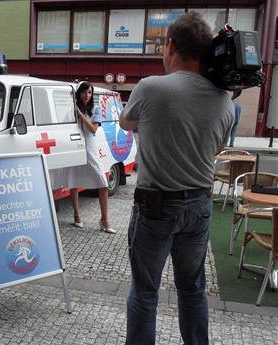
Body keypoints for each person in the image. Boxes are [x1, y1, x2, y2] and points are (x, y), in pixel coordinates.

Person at [119, 12, 234, 345]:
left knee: (145, 290)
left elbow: (127, 123)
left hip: (155, 206)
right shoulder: (224, 99)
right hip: (199, 205)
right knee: (193, 288)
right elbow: (219, 145)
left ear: (171, 45)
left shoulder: (151, 88)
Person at [64, 81, 116, 234]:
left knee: (103, 184)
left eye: (90, 92)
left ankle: (105, 220)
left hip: (90, 149)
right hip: (74, 147)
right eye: (84, 92)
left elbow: (93, 129)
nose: (87, 95)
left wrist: (80, 114)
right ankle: (76, 215)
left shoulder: (96, 109)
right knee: (73, 181)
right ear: (79, 93)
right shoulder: (70, 109)